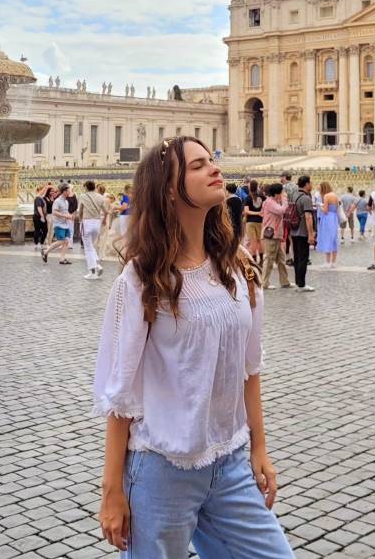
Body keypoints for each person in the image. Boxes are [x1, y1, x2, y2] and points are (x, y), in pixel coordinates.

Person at [94, 136, 293, 558]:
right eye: (199, 165)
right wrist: (112, 490)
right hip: (161, 468)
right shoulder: (141, 280)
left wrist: (259, 448)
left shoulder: (237, 268)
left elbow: (249, 369)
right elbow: (121, 397)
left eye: (213, 160)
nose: (214, 169)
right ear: (169, 186)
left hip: (230, 461)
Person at [260, 183, 291, 289]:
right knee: (269, 259)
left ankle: (285, 282)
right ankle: (264, 283)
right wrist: (285, 200)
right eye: (281, 192)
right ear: (277, 193)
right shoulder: (270, 202)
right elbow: (281, 210)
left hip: (276, 235)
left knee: (281, 260)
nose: (282, 194)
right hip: (271, 235)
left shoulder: (273, 202)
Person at [78, 180, 109, 280]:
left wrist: (79, 219)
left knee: (88, 248)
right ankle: (96, 266)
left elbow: (80, 210)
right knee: (91, 246)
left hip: (86, 222)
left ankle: (94, 270)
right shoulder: (100, 197)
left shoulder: (83, 196)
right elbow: (106, 211)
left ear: (86, 187)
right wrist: (104, 220)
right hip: (97, 223)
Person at [290, 175, 315, 292]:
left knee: (297, 258)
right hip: (303, 232)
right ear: (306, 184)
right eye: (310, 183)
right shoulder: (306, 198)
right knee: (303, 258)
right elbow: (308, 217)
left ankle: (298, 282)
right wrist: (311, 234)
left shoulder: (294, 195)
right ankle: (302, 284)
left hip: (294, 231)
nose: (312, 185)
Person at [41, 183, 73, 264]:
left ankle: (62, 259)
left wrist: (69, 215)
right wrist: (65, 215)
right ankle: (45, 251)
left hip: (65, 224)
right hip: (59, 224)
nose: (70, 191)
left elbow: (65, 211)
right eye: (69, 190)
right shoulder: (57, 201)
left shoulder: (66, 201)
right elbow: (54, 212)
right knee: (61, 241)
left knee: (66, 241)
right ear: (64, 191)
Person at [316, 182, 339, 268]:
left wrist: (319, 206)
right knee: (333, 239)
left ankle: (327, 262)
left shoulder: (326, 196)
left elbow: (325, 210)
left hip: (327, 218)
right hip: (334, 217)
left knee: (327, 238)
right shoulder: (335, 195)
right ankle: (333, 262)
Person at [244, 180, 264, 265]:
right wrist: (260, 213)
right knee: (260, 241)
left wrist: (255, 213)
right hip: (260, 221)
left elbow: (246, 211)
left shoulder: (248, 198)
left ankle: (254, 259)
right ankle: (262, 260)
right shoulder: (262, 197)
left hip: (250, 222)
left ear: (250, 187)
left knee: (253, 241)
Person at [33, 185, 48, 249]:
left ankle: (41, 243)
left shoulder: (40, 197)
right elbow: (39, 208)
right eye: (43, 190)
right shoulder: (38, 198)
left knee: (45, 230)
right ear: (39, 190)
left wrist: (47, 187)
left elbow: (44, 194)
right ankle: (36, 244)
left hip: (41, 216)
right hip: (38, 216)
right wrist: (42, 216)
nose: (44, 192)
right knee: (38, 230)